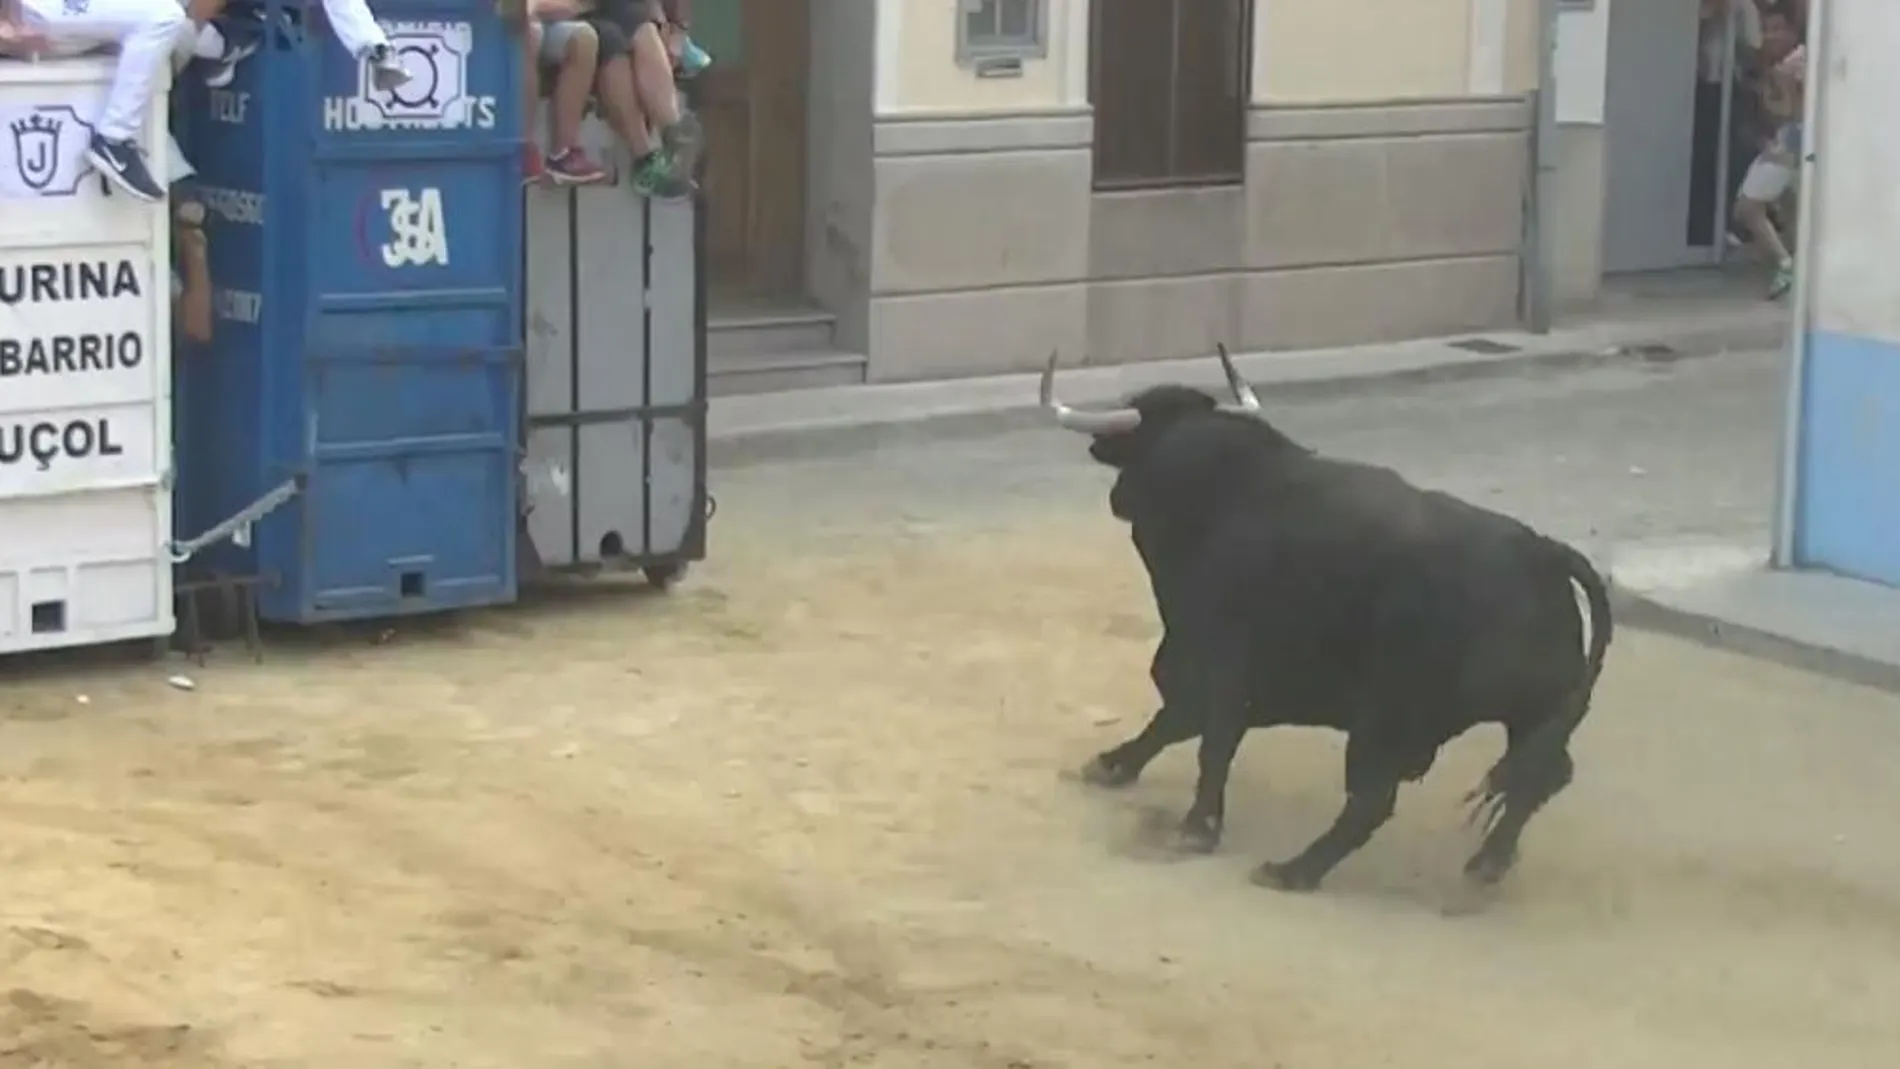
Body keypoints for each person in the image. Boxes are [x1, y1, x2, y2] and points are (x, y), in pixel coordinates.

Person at [0, 0, 188, 201]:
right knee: (165, 15)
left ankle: (164, 165)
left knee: (162, 26)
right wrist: (6, 22)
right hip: (35, 11)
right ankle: (114, 139)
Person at [1732, 5, 1804, 299]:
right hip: (1787, 141)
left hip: (1789, 143)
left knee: (1747, 207)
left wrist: (1778, 87)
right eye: (1766, 30)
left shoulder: (1795, 64)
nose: (1770, 36)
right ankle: (1792, 264)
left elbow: (1791, 111)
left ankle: (1787, 264)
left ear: (1792, 32)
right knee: (1789, 208)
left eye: (1777, 30)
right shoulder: (1779, 63)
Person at [519, 0, 607, 184]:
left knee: (584, 37)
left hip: (543, 17)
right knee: (530, 33)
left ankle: (562, 155)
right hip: (495, 19)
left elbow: (579, 5)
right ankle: (521, 148)